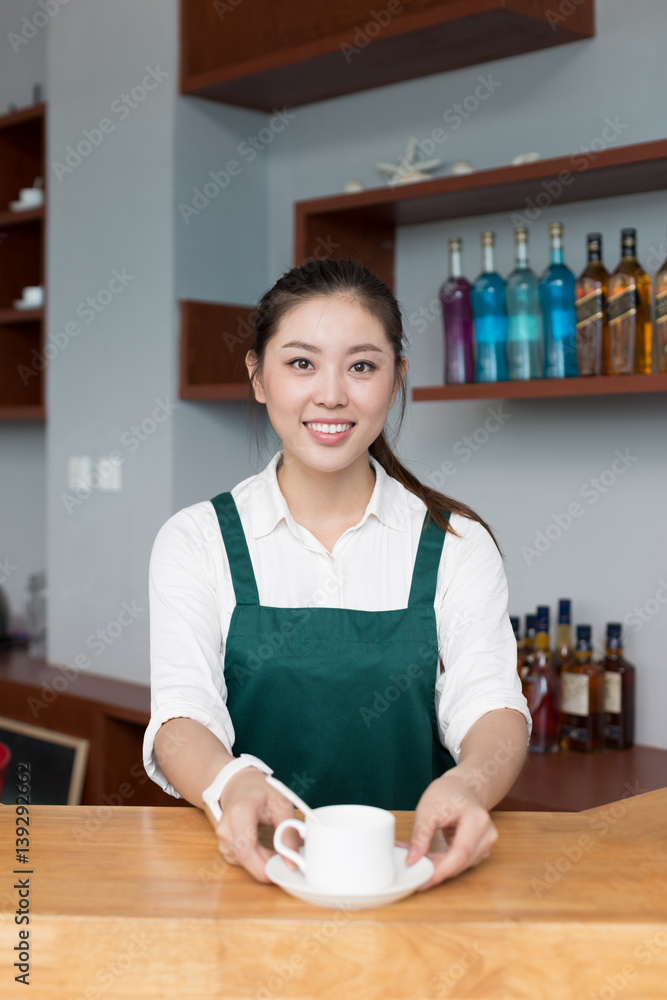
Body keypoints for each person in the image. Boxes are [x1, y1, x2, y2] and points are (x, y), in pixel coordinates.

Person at [143, 258, 531, 890]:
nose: (331, 394)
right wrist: (231, 784)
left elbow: (490, 704)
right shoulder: (196, 540)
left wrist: (470, 783)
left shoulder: (456, 545)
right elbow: (182, 716)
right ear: (258, 376)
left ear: (396, 378)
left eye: (362, 365)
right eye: (301, 363)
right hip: (252, 868)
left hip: (414, 873)